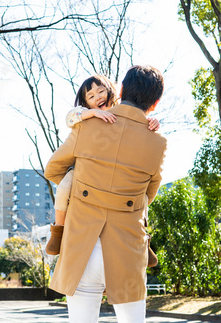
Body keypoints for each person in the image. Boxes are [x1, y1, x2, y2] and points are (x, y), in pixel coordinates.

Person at [44, 65, 167, 323]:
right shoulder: (157, 141)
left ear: (120, 90)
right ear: (154, 104)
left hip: (81, 245)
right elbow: (149, 194)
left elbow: (53, 169)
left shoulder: (87, 126)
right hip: (127, 248)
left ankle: (58, 229)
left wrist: (83, 187)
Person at [45, 74, 159, 268]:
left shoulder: (123, 113)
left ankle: (144, 238)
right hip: (84, 170)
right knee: (64, 187)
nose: (97, 97)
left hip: (117, 171)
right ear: (86, 104)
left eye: (101, 91)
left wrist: (152, 122)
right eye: (91, 96)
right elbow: (69, 117)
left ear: (111, 92)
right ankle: (58, 231)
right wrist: (92, 114)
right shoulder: (86, 118)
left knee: (141, 194)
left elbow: (139, 126)